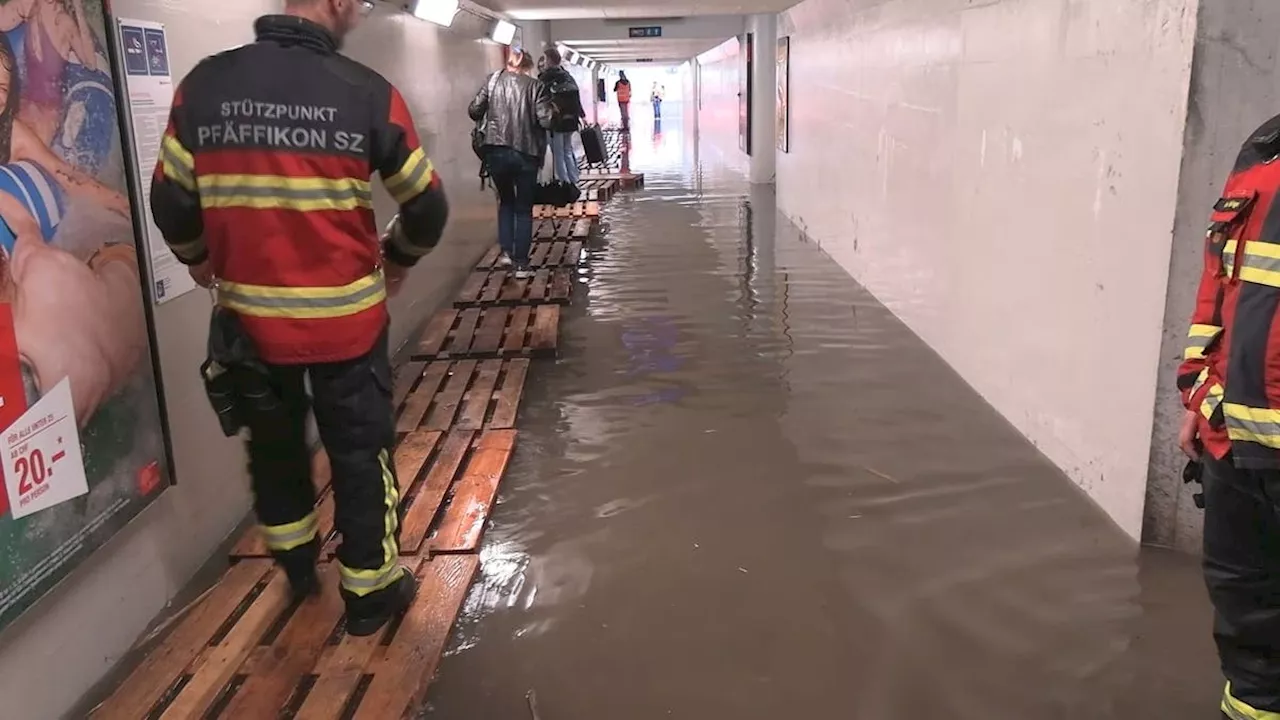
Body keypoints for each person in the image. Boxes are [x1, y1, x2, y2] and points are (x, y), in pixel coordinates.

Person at [150, 0, 450, 637]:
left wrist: (200, 259)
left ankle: (296, 568)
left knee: (277, 449)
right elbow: (426, 205)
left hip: (251, 328)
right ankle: (370, 594)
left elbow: (170, 201)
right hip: (348, 326)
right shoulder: (368, 94)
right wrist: (396, 262)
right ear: (337, 4)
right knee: (361, 455)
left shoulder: (205, 86)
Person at [1178, 112, 1280, 719]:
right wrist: (1198, 393)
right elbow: (1219, 281)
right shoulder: (1263, 148)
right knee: (1247, 618)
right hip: (1233, 445)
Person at [469, 46, 553, 278]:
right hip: (526, 153)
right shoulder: (537, 87)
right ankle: (521, 265)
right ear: (528, 66)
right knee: (523, 209)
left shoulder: (493, 81)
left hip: (496, 151)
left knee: (506, 201)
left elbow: (474, 111)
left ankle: (506, 252)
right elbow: (546, 120)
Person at [538, 47, 584, 188]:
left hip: (555, 122)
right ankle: (574, 178)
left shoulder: (546, 78)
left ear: (550, 60)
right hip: (570, 120)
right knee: (567, 150)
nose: (543, 63)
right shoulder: (567, 75)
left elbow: (540, 100)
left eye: (545, 60)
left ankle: (565, 183)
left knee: (558, 153)